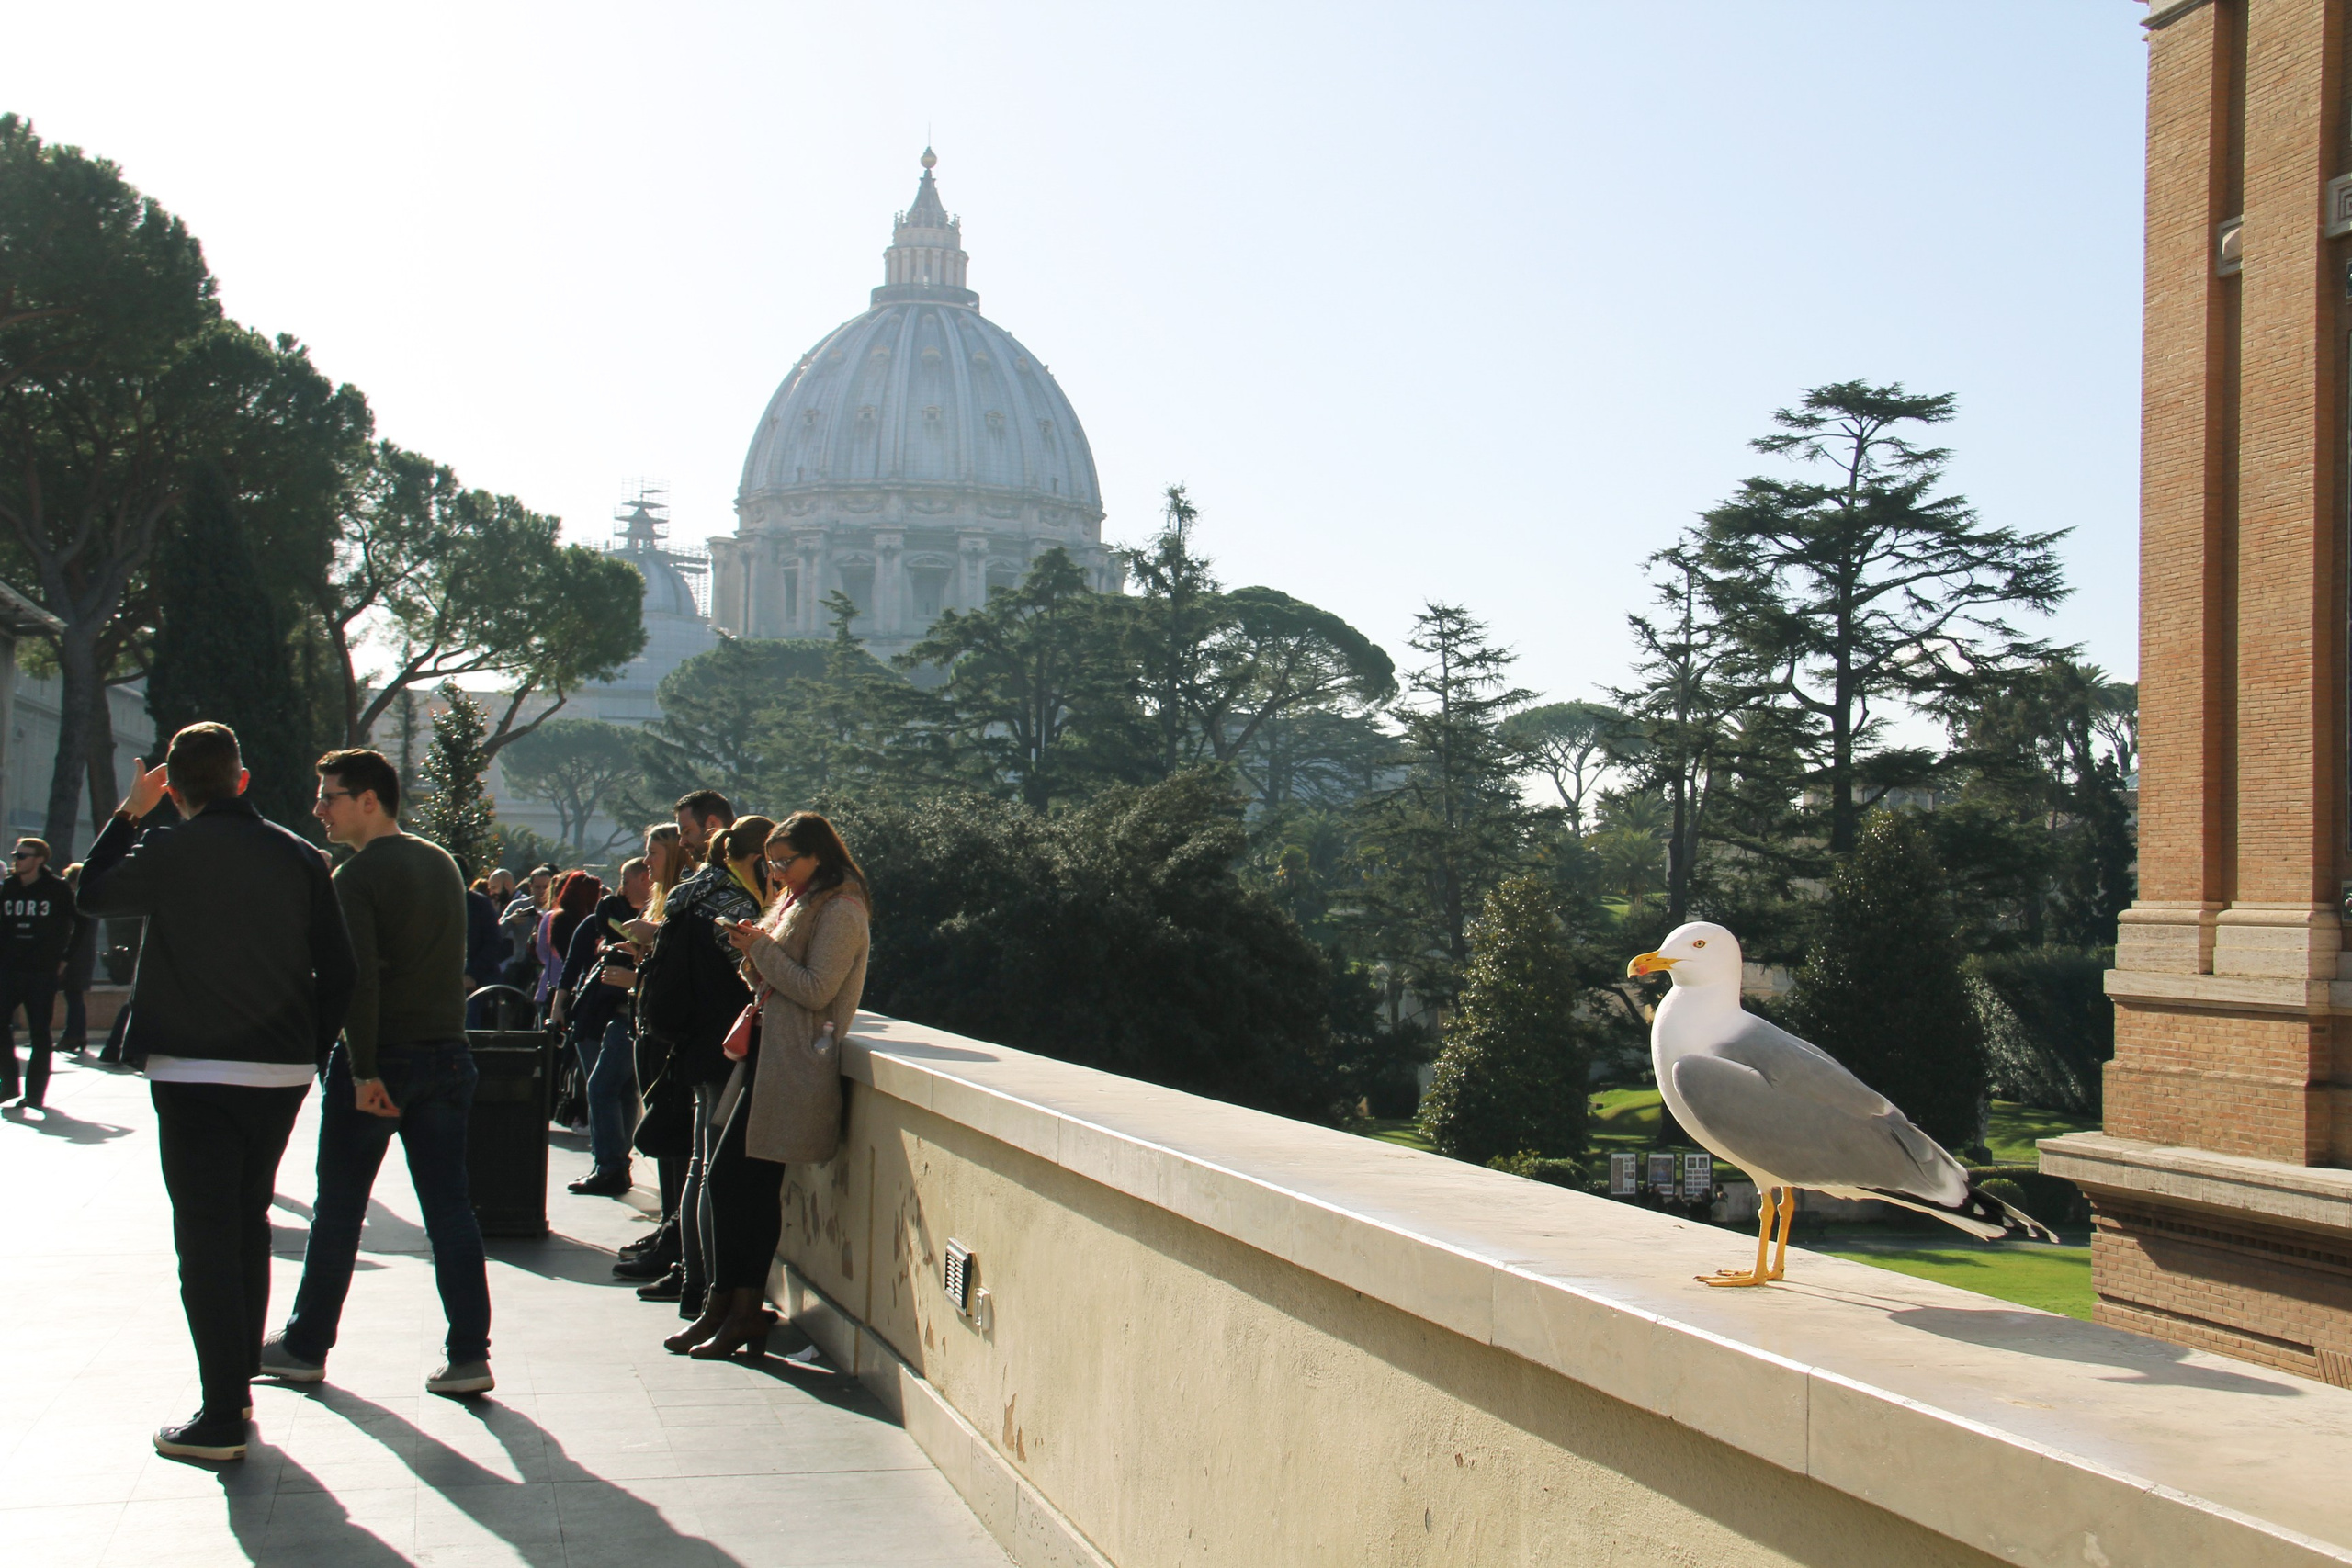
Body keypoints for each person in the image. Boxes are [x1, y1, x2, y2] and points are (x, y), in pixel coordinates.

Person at [77, 723, 356, 1462]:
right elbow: (340, 968)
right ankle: (235, 1393)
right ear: (242, 778)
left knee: (204, 1238)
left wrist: (132, 812)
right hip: (278, 1071)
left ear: (174, 785)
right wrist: (311, 1049)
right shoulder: (301, 856)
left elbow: (92, 894)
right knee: (248, 1223)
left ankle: (223, 1409)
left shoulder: (165, 848)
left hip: (190, 1068)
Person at [259, 748, 494, 1398]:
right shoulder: (442, 863)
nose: (319, 808)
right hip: (448, 1054)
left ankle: (306, 1345)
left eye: (329, 795)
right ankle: (470, 1351)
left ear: (370, 799)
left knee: (338, 1209)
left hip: (381, 1058)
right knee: (450, 1207)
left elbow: (354, 982)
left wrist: (363, 1068)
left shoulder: (355, 877)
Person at [675, 813, 870, 1359]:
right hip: (771, 1055)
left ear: (819, 856)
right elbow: (774, 977)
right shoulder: (799, 901)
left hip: (796, 1063)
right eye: (772, 862)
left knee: (743, 1185)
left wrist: (760, 949)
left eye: (787, 861)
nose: (778, 872)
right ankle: (725, 1307)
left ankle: (741, 1313)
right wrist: (751, 950)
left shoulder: (841, 909)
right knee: (730, 1182)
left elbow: (815, 989)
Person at [636, 814, 765, 1321]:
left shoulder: (689, 891)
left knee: (698, 1168)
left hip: (688, 1040)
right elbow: (752, 974)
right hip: (723, 1045)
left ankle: (694, 1282)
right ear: (756, 859)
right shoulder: (735, 904)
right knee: (717, 1172)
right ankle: (712, 1290)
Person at [558, 857, 650, 1196]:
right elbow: (571, 967)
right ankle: (613, 1163)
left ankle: (612, 1164)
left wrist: (636, 974)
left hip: (632, 1011)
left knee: (608, 1088)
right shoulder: (607, 913)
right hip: (605, 1012)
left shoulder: (662, 908)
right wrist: (558, 1009)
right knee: (615, 1088)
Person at [0, 836, 77, 1110]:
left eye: (22, 855)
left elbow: (80, 923)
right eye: (15, 854)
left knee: (40, 1034)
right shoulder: (8, 887)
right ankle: (8, 1085)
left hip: (42, 971)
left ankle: (34, 1095)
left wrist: (66, 958)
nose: (16, 859)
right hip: (9, 969)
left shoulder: (56, 890)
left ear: (39, 860)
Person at [59, 861, 98, 1055]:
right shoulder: (90, 900)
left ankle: (72, 1035)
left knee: (73, 996)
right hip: (85, 955)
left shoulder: (76, 902)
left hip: (75, 956)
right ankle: (77, 1035)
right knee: (75, 997)